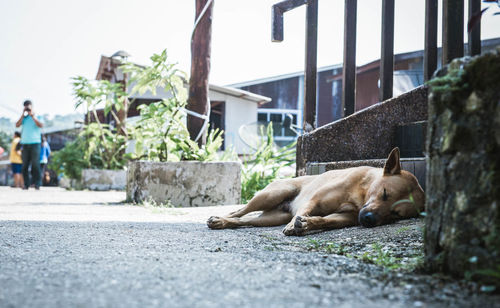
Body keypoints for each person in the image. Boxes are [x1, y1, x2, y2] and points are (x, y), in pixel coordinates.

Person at [15, 100, 43, 190]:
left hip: (35, 143)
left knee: (35, 164)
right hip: (25, 144)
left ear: (32, 106)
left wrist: (33, 116)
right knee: (24, 165)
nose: (27, 108)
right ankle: (26, 184)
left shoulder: (38, 116)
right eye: (25, 106)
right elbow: (17, 125)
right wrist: (23, 115)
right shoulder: (24, 118)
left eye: (28, 106)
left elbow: (41, 125)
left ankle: (37, 184)